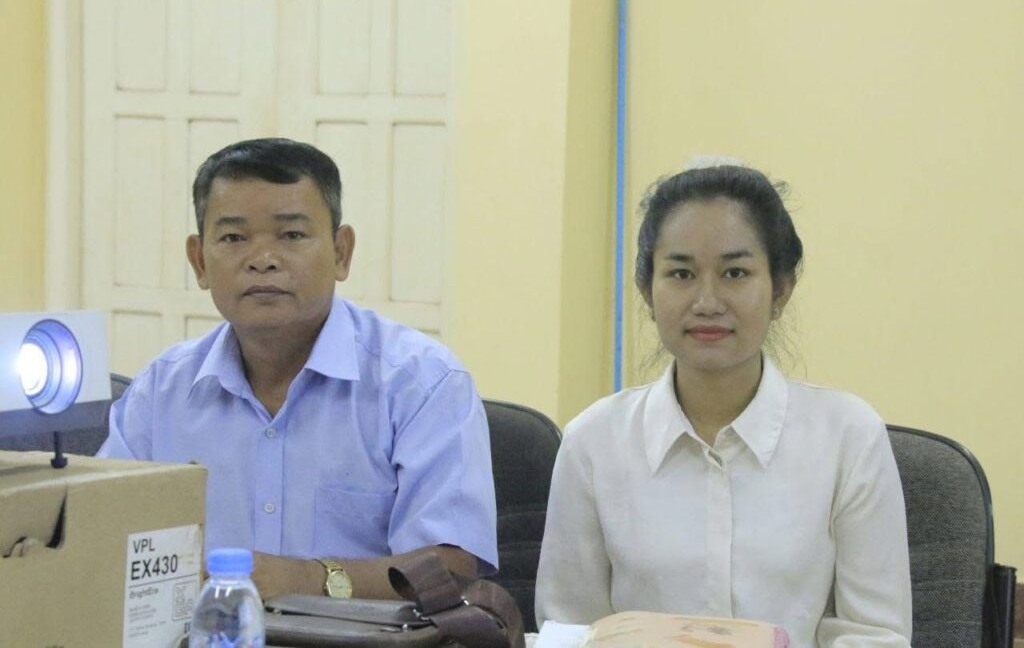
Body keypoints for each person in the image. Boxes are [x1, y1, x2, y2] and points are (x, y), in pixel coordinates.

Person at [98, 138, 497, 601]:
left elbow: (451, 570)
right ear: (199, 261)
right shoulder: (160, 392)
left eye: (291, 235)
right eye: (233, 238)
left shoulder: (421, 383)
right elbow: (101, 539)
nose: (262, 259)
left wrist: (305, 580)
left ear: (342, 252)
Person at [535, 164, 912, 646]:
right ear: (647, 291)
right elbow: (571, 632)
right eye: (681, 274)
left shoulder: (848, 437)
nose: (707, 301)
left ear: (780, 288)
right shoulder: (593, 442)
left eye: (735, 273)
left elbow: (875, 636)